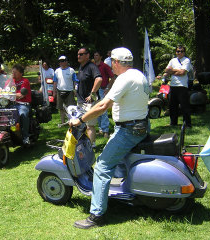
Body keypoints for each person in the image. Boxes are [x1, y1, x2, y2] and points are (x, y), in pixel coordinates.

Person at [70, 47, 150, 229]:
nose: (110, 65)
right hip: (141, 125)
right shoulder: (139, 75)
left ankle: (96, 215)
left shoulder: (125, 78)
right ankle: (125, 194)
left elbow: (104, 105)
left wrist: (80, 119)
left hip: (129, 130)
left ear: (115, 62)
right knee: (119, 160)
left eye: (111, 61)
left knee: (101, 167)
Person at [76, 47, 103, 147]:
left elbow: (99, 79)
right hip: (81, 101)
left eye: (81, 54)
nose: (79, 56)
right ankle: (86, 144)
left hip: (90, 102)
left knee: (89, 125)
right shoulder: (81, 67)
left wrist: (92, 93)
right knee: (82, 124)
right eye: (78, 54)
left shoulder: (91, 66)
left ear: (87, 55)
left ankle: (91, 146)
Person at [164, 45, 192, 128]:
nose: (179, 53)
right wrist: (176, 71)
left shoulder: (186, 60)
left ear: (184, 52)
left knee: (184, 106)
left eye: (181, 51)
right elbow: (166, 70)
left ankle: (187, 124)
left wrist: (172, 71)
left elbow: (183, 72)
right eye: (177, 51)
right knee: (172, 106)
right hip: (173, 85)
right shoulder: (173, 60)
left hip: (182, 86)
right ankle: (173, 122)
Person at [5, 64, 32, 145]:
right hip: (12, 104)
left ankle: (25, 137)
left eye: (15, 72)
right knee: (3, 115)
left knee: (23, 114)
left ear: (21, 73)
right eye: (12, 72)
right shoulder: (10, 81)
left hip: (23, 104)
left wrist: (9, 94)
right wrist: (10, 80)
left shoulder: (25, 81)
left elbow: (21, 95)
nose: (13, 74)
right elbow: (4, 90)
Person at [93, 51, 115, 138]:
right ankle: (100, 128)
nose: (95, 57)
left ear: (101, 57)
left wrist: (108, 88)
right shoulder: (93, 66)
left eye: (97, 55)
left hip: (103, 89)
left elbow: (112, 77)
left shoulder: (105, 66)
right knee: (97, 109)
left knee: (104, 110)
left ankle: (106, 130)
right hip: (95, 91)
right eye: (94, 55)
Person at [53, 56, 77, 124]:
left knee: (71, 107)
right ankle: (63, 122)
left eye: (63, 61)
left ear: (66, 61)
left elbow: (75, 81)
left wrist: (75, 90)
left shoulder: (71, 70)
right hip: (59, 90)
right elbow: (55, 81)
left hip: (69, 91)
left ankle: (73, 121)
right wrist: (54, 92)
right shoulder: (57, 71)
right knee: (61, 108)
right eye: (60, 61)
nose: (61, 62)